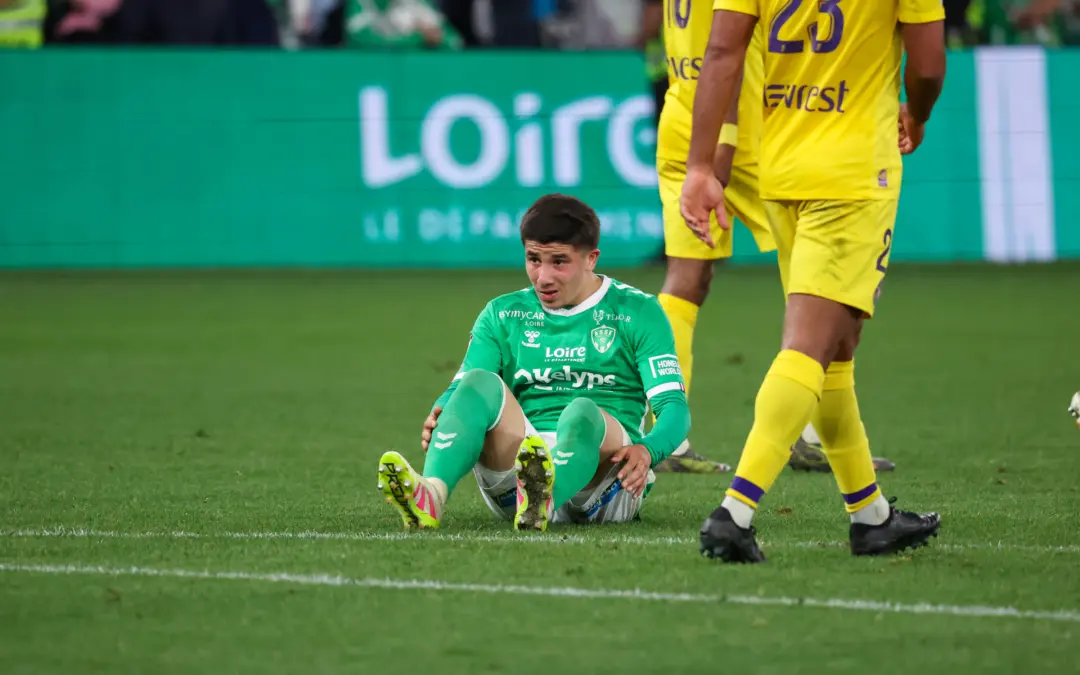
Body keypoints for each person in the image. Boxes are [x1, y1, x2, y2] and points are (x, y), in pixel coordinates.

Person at [681, 0, 947, 562]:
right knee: (808, 348)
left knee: (834, 345)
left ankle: (869, 515)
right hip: (852, 175)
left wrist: (702, 167)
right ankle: (735, 512)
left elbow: (723, 52)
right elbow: (927, 67)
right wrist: (916, 113)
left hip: (782, 171)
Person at [651, 0, 895, 474]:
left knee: (686, 280)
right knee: (828, 279)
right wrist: (722, 146)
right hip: (743, 132)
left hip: (684, 118)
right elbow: (727, 50)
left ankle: (665, 436)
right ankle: (811, 432)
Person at [377, 193, 691, 531]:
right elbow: (462, 385)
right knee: (478, 383)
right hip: (518, 482)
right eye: (533, 259)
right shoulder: (503, 313)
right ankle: (432, 495)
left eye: (559, 261)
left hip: (606, 486)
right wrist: (443, 409)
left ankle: (548, 494)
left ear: (591, 259)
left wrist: (648, 450)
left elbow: (674, 408)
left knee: (582, 411)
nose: (543, 276)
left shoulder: (638, 312)